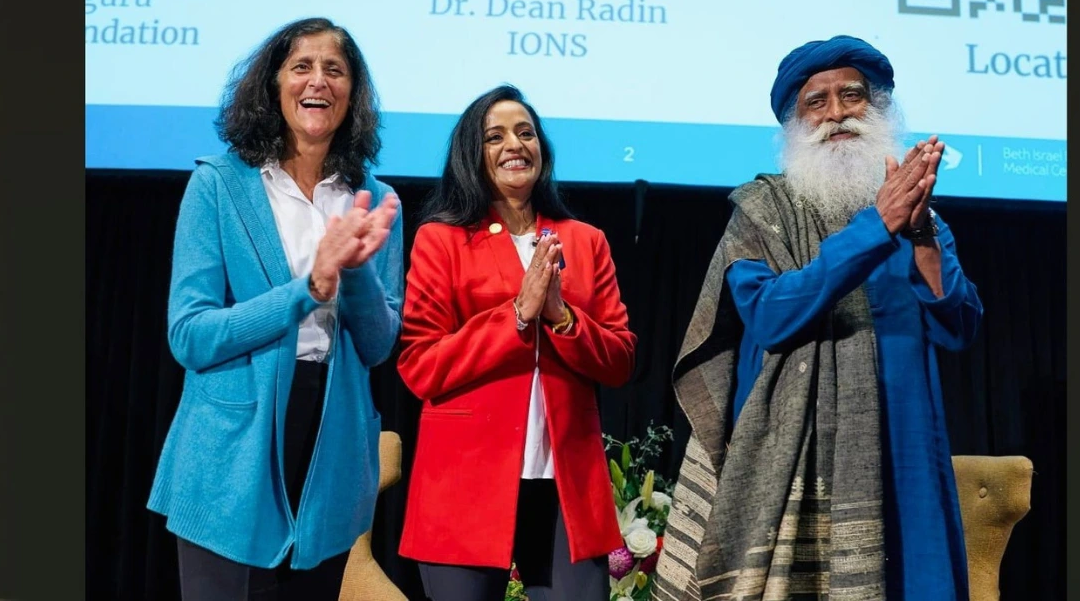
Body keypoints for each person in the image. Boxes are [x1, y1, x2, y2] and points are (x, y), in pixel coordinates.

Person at [652, 35, 984, 601]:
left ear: (877, 109)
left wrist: (917, 229)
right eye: (816, 102)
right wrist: (876, 229)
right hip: (791, 445)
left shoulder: (919, 216)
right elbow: (771, 315)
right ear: (792, 124)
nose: (837, 114)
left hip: (904, 443)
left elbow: (958, 325)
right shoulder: (763, 212)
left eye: (852, 97)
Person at [147, 17, 404, 601]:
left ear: (353, 94)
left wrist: (356, 268)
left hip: (333, 443)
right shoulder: (218, 184)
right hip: (230, 447)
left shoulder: (378, 200)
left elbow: (378, 344)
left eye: (335, 70)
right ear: (273, 84)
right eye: (302, 67)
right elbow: (190, 335)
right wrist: (306, 289)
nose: (319, 81)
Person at [396, 85, 636, 601]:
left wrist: (563, 317)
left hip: (564, 485)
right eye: (495, 135)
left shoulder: (585, 240)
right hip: (463, 483)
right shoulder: (441, 240)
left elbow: (619, 360)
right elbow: (420, 366)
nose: (515, 144)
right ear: (471, 154)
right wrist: (519, 314)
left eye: (526, 132)